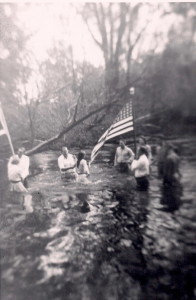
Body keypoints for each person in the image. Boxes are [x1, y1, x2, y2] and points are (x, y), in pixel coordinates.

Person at [161, 144, 183, 211]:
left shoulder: (169, 157)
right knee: (176, 191)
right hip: (176, 175)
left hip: (170, 176)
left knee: (169, 191)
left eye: (165, 149)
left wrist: (165, 180)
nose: (164, 150)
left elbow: (167, 170)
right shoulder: (177, 156)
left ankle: (171, 207)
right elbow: (178, 168)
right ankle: (176, 205)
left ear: (168, 149)